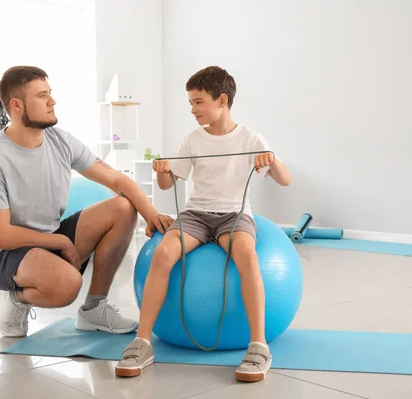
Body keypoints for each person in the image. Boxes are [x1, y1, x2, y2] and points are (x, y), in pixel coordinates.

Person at [115, 66, 291, 382]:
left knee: (247, 255)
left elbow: (284, 180)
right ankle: (142, 342)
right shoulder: (192, 140)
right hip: (196, 215)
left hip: (234, 215)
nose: (193, 110)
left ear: (222, 100)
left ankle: (259, 346)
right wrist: (162, 171)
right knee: (163, 253)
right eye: (191, 104)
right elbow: (169, 185)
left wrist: (271, 159)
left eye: (198, 102)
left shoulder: (251, 138)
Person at [0, 65, 173, 338]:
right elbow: (1, 236)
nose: (52, 101)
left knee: (124, 207)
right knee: (68, 285)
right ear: (17, 105)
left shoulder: (61, 141)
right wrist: (61, 242)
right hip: (5, 254)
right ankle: (17, 298)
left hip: (48, 236)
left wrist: (151, 213)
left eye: (50, 93)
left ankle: (94, 309)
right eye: (42, 96)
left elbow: (117, 180)